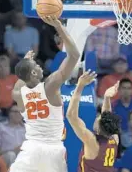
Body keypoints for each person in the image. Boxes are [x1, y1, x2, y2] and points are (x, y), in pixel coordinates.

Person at [9, 16, 80, 172]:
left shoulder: (18, 94)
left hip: (30, 150)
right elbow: (74, 55)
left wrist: (25, 63)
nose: (41, 66)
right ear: (34, 72)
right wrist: (60, 27)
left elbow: (20, 81)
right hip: (52, 150)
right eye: (37, 65)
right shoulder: (50, 86)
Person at [66, 71, 121, 172]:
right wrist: (107, 98)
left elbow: (71, 116)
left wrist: (79, 87)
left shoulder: (92, 142)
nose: (97, 117)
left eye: (98, 118)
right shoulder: (114, 139)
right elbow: (107, 117)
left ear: (99, 128)